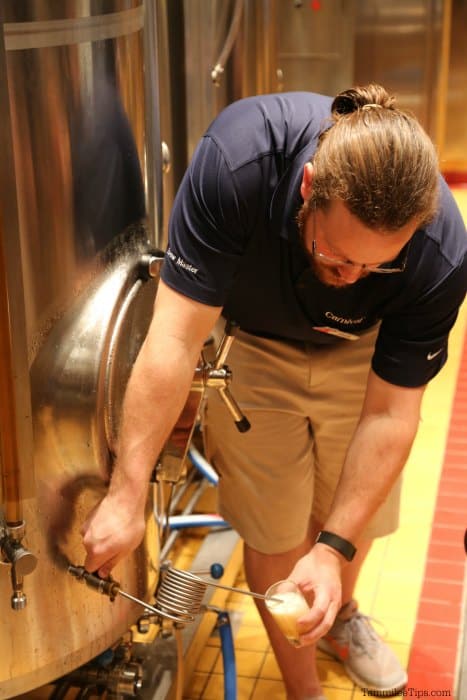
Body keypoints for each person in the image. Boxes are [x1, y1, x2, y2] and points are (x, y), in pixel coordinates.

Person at [81, 84, 467, 700]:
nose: (351, 279)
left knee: (348, 509)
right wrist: (128, 493)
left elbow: (393, 413)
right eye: (337, 256)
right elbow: (173, 341)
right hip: (256, 345)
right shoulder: (239, 162)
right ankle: (302, 687)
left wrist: (333, 551)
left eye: (376, 267)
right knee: (275, 529)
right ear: (310, 186)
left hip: (361, 358)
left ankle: (341, 616)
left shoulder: (439, 251)